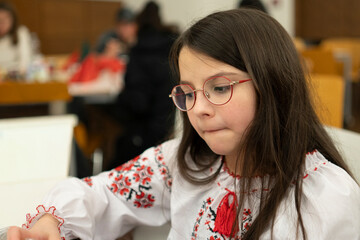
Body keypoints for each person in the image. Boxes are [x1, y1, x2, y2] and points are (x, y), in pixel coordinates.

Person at [7, 8, 360, 240]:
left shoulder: (324, 199)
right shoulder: (183, 163)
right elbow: (103, 194)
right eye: (188, 93)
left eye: (219, 87)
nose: (199, 109)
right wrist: (51, 222)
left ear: (273, 84)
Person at [101, 1, 178, 170]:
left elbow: (138, 103)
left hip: (144, 134)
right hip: (168, 127)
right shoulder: (171, 46)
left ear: (137, 25)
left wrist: (121, 95)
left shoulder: (139, 52)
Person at [0, 1, 33, 73]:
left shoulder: (20, 32)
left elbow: (25, 61)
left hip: (15, 76)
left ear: (13, 19)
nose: (2, 24)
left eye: (5, 19)